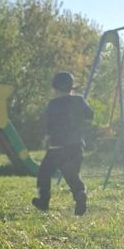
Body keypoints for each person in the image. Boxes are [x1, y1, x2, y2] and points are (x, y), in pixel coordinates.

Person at [32, 70, 94, 216]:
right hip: (76, 146)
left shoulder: (53, 104)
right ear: (71, 87)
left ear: (55, 88)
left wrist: (46, 138)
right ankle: (80, 194)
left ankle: (44, 201)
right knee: (72, 175)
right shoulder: (79, 100)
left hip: (57, 148)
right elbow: (90, 115)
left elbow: (49, 125)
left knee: (44, 173)